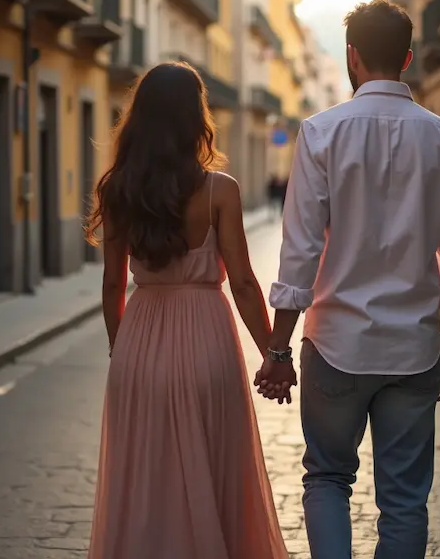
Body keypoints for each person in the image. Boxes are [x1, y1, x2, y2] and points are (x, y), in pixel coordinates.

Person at [256, 0, 440, 559]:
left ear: (351, 56)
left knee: (327, 478)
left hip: (336, 344)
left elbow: (300, 252)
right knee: (406, 499)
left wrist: (278, 348)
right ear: (408, 56)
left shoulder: (320, 133)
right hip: (414, 348)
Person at [85, 62, 288, 559]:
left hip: (140, 344)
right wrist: (274, 353)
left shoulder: (117, 191)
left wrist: (123, 349)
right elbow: (242, 282)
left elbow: (113, 283)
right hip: (208, 345)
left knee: (145, 482)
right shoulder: (221, 190)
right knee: (216, 472)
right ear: (196, 119)